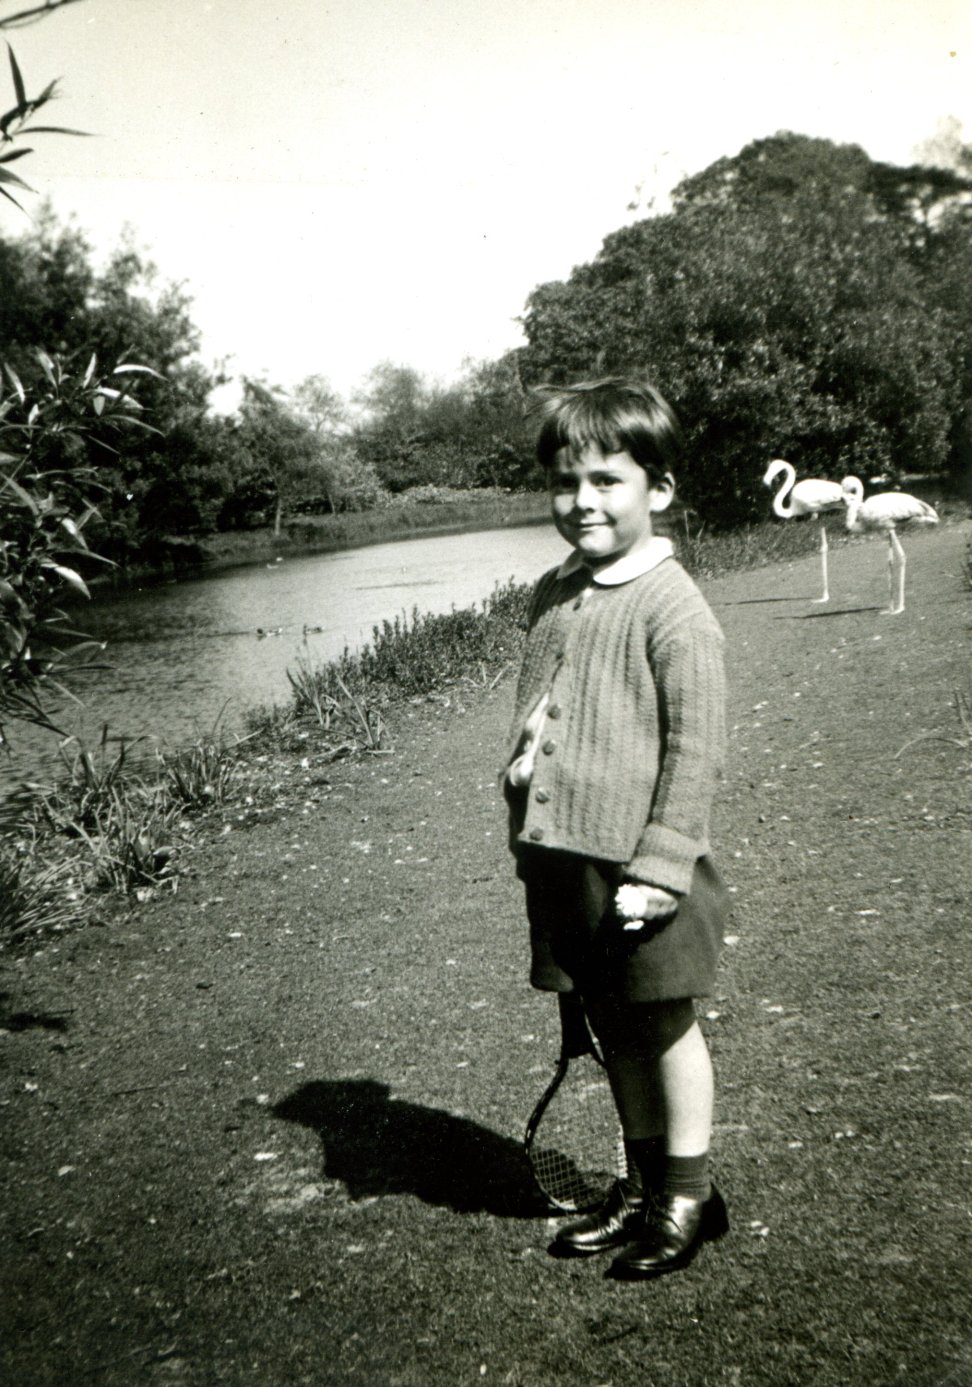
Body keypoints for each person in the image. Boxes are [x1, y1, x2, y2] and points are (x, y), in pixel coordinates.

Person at [503, 377, 730, 1280]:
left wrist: (663, 865)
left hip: (639, 863)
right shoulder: (556, 591)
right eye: (565, 483)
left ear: (658, 491)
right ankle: (641, 1186)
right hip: (566, 857)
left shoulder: (674, 607)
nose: (581, 501)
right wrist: (526, 807)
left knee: (663, 1023)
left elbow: (696, 751)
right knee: (610, 1025)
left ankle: (690, 1194)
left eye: (606, 481)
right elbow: (540, 715)